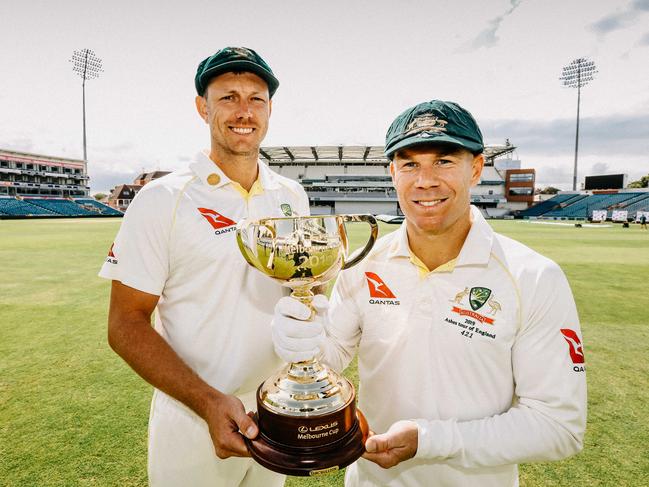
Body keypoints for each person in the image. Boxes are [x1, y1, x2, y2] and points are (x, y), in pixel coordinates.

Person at [272, 100, 587, 486]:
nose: (425, 181)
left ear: (475, 168)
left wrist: (431, 440)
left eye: (443, 161)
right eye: (409, 164)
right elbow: (330, 358)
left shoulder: (534, 276)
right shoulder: (363, 265)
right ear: (392, 173)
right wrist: (301, 342)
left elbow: (558, 426)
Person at [99, 46, 309, 487]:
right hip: (191, 418)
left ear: (270, 109)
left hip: (273, 414)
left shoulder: (292, 196)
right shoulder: (163, 199)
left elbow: (302, 287)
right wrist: (208, 402)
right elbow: (125, 323)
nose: (243, 111)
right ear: (203, 107)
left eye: (256, 98)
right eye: (228, 97)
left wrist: (315, 309)